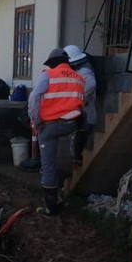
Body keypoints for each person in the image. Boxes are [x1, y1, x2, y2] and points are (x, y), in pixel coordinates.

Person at [27, 48, 85, 216]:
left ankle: (51, 206)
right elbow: (82, 104)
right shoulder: (79, 78)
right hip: (71, 125)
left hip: (50, 126)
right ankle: (63, 191)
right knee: (62, 159)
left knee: (48, 166)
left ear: (52, 63)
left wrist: (36, 121)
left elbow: (34, 98)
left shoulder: (48, 75)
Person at [63, 44, 97, 165]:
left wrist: (79, 98)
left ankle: (79, 160)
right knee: (78, 137)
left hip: (86, 113)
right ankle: (77, 159)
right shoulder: (82, 70)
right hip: (83, 111)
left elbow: (91, 85)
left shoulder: (85, 71)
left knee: (81, 138)